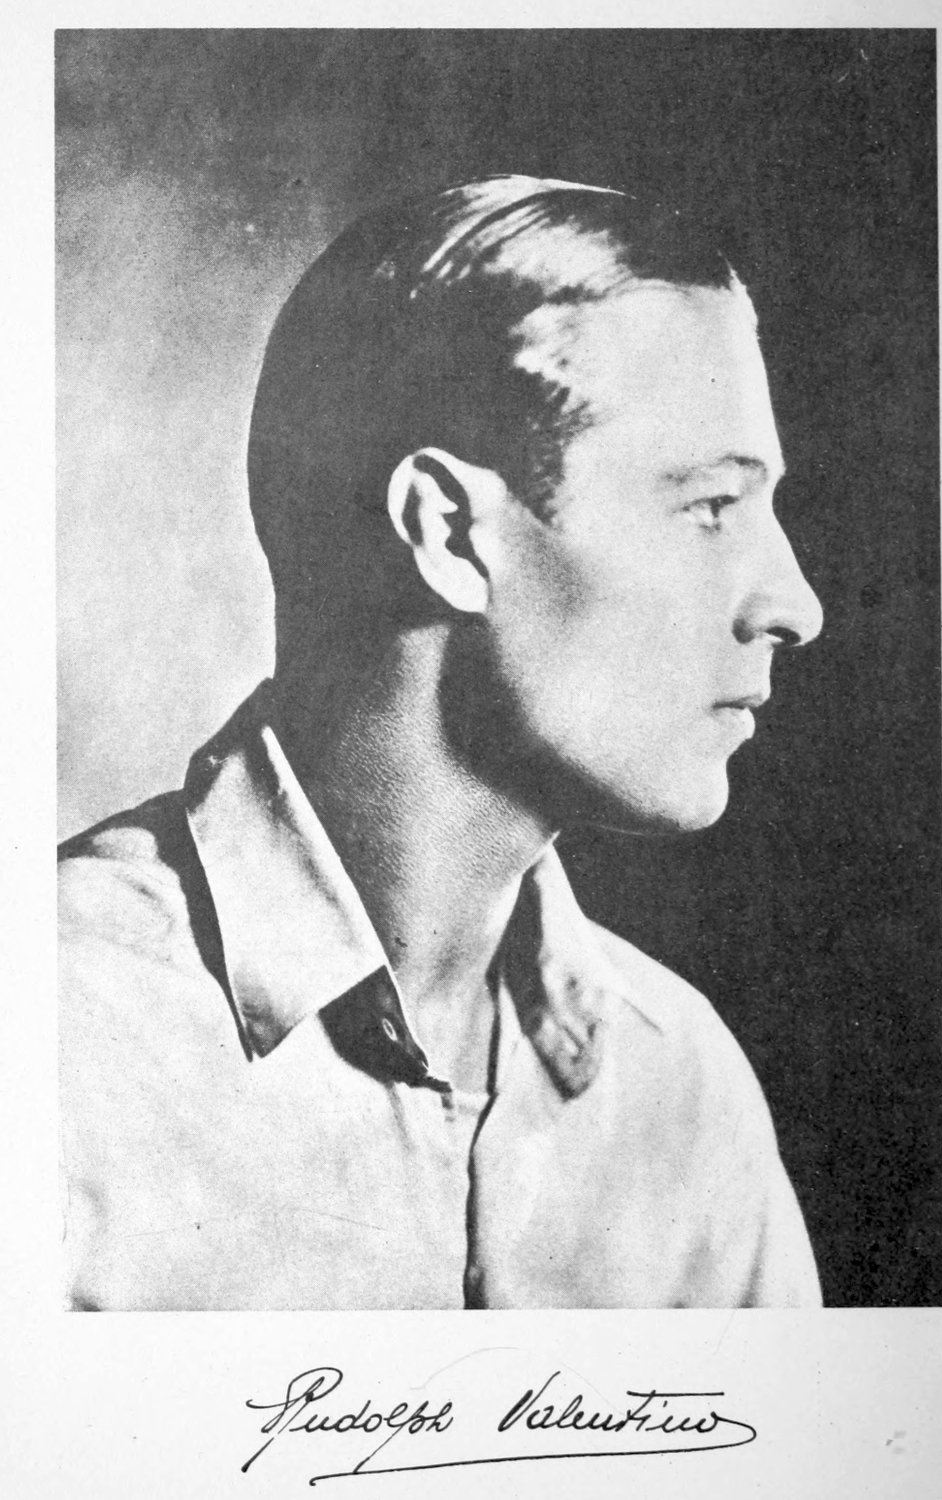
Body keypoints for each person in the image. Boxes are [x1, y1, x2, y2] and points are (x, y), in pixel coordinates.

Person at [59, 174, 824, 1311]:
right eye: (710, 508)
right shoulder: (56, 1043)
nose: (794, 606)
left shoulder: (681, 1087)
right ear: (451, 532)